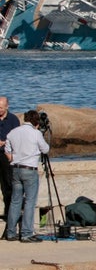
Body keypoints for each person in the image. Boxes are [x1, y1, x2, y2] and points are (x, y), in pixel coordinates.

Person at [5, 110, 49, 242]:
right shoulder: (36, 133)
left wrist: (15, 158)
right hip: (29, 169)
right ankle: (26, 233)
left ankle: (11, 233)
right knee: (30, 202)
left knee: (15, 201)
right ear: (36, 121)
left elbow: (7, 150)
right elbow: (45, 149)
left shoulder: (13, 132)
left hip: (15, 169)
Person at [0, 97, 20, 226]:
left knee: (8, 186)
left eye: (1, 107)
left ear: (7, 106)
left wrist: (5, 143)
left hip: (6, 157)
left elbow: (17, 137)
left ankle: (8, 214)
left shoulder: (13, 119)